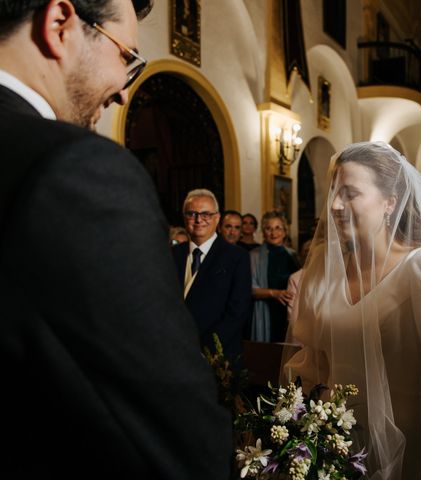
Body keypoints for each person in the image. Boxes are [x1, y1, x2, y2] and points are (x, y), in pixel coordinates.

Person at [0, 1, 232, 478]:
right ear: (60, 24)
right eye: (125, 55)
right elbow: (182, 444)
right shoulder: (76, 171)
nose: (126, 94)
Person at [282, 142, 421, 480]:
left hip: (404, 448)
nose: (335, 206)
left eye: (350, 193)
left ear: (390, 202)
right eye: (332, 193)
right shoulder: (324, 273)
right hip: (329, 444)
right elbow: (312, 366)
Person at [172, 190, 252, 366]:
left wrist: (204, 349)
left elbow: (238, 311)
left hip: (216, 357)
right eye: (192, 214)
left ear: (217, 218)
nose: (199, 220)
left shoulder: (236, 257)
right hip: (173, 353)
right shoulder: (172, 254)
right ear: (185, 218)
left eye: (206, 214)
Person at [250, 211, 299, 342]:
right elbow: (250, 290)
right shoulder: (253, 255)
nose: (273, 232)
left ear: (284, 231)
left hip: (289, 311)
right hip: (266, 311)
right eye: (268, 228)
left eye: (278, 228)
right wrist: (275, 293)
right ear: (263, 232)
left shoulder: (293, 255)